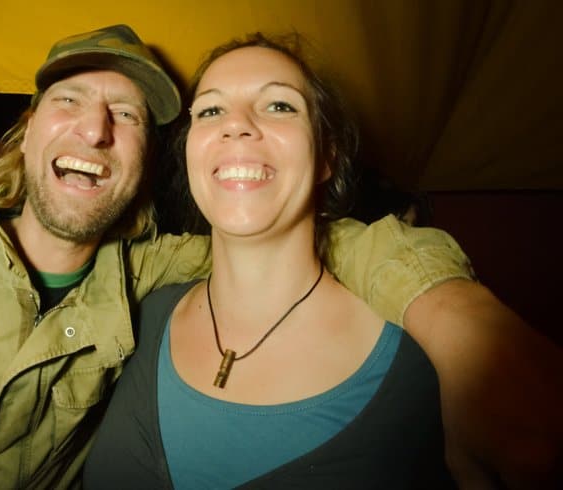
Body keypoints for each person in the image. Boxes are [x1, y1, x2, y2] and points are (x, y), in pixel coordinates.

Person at [0, 24, 500, 489]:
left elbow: (278, 234)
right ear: (29, 127)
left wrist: (449, 311)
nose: (95, 129)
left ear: (148, 160)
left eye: (126, 116)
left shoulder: (146, 274)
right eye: (68, 100)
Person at [83, 32, 563, 490]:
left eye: (279, 105)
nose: (237, 124)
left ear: (327, 156)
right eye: (211, 109)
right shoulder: (138, 317)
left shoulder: (427, 363)